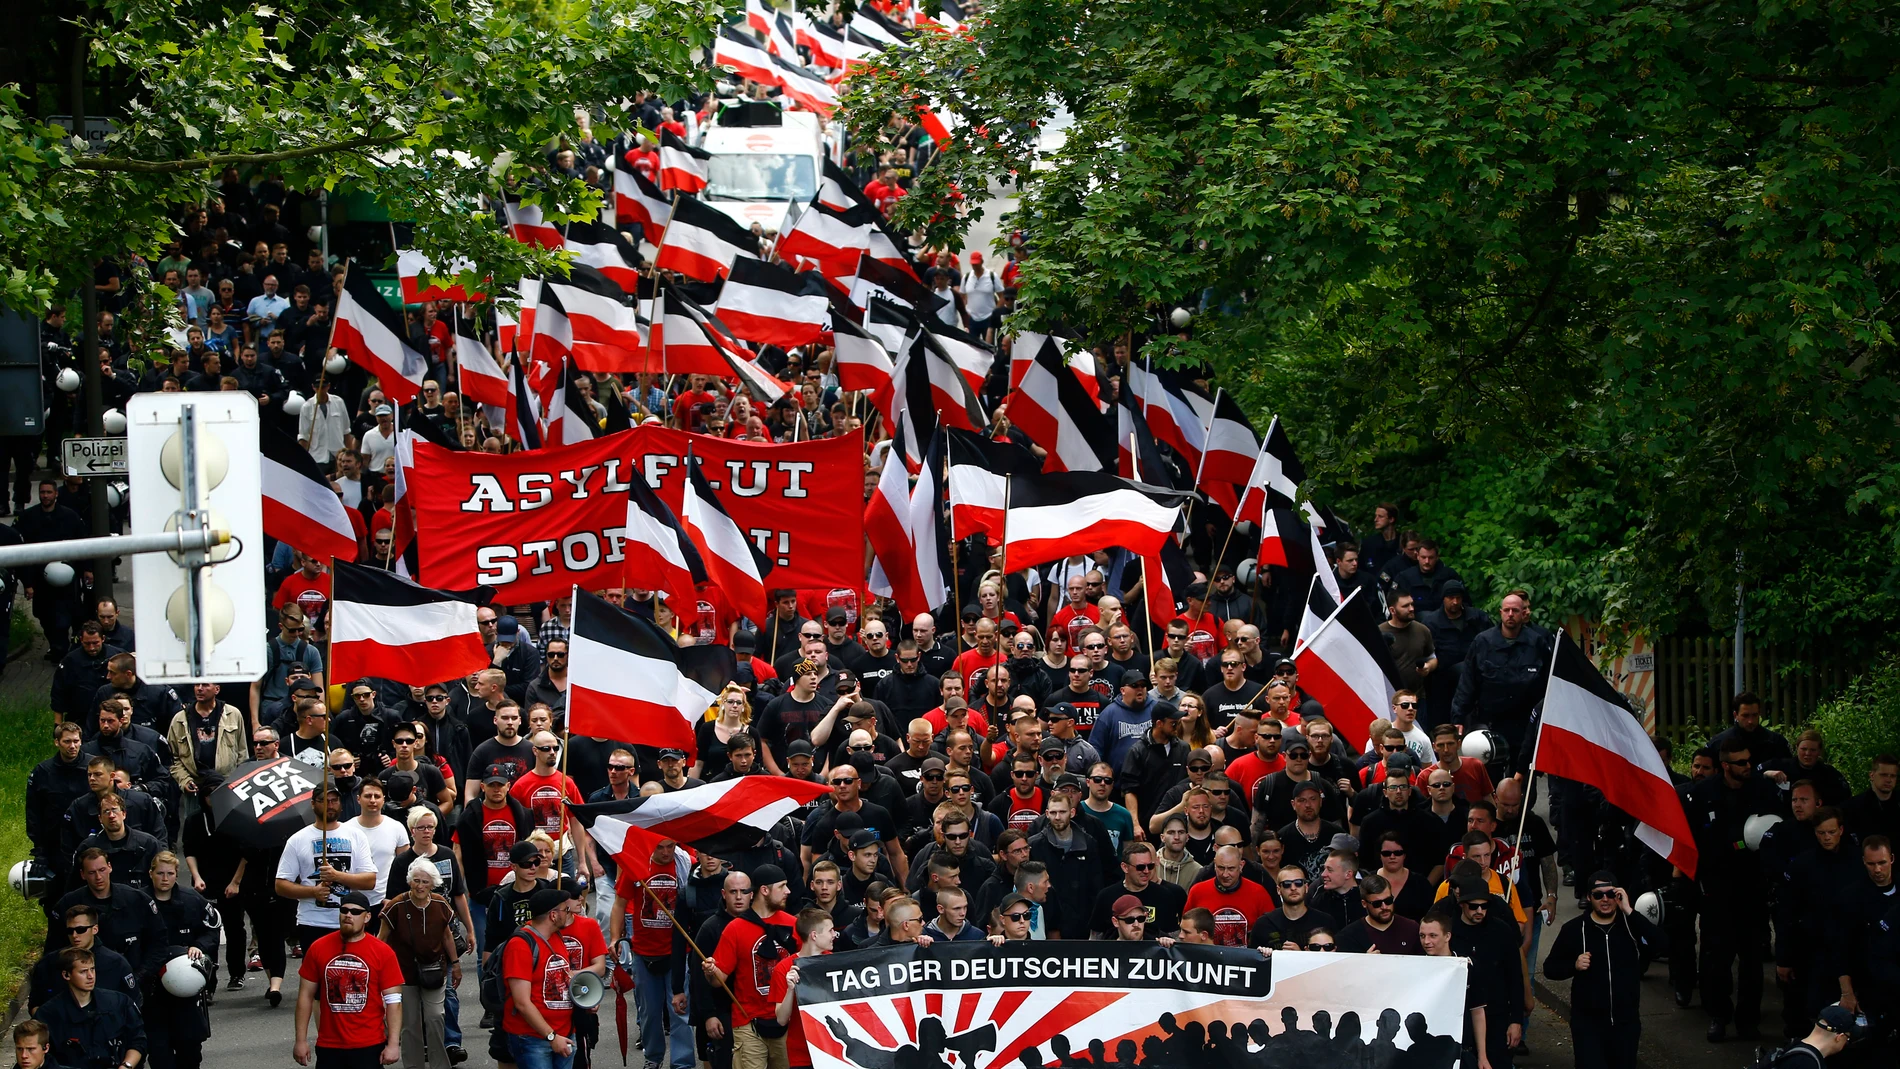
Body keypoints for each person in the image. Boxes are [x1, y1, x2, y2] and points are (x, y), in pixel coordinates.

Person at [1689, 739, 1782, 1041]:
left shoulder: (1763, 790)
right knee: (1718, 958)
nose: (1748, 767)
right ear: (1726, 765)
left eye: (1749, 761)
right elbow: (1697, 839)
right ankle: (1719, 1015)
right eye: (1741, 763)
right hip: (1717, 889)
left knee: (1753, 960)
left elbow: (1776, 829)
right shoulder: (1704, 794)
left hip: (1753, 887)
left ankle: (1748, 1019)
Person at [1543, 873, 1666, 1069]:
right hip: (1588, 1026)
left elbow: (1663, 945)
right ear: (1589, 897)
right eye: (1598, 895)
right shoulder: (1574, 929)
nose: (1605, 899)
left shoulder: (1631, 926)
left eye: (1611, 894)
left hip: (1625, 1024)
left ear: (1619, 895)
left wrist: (1629, 911)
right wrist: (1573, 965)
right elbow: (1550, 969)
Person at [293, 890, 404, 1069]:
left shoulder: (383, 952)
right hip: (329, 1045)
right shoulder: (318, 948)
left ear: (367, 917)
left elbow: (394, 1001)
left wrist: (392, 1044)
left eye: (355, 912)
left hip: (369, 1045)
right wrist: (300, 1040)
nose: (348, 915)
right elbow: (305, 996)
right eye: (344, 910)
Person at [703, 865, 798, 1069]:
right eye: (782, 886)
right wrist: (711, 970)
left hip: (788, 1021)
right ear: (765, 890)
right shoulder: (735, 928)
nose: (788, 891)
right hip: (748, 1023)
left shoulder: (793, 925)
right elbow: (718, 980)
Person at [275, 786, 380, 955]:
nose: (330, 805)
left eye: (334, 800)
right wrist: (313, 891)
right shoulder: (298, 839)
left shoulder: (356, 835)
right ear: (313, 804)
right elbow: (281, 885)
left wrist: (337, 875)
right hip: (312, 922)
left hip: (351, 920)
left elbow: (370, 881)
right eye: (323, 801)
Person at [377, 858, 459, 1069]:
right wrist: (378, 969)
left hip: (434, 971)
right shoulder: (396, 905)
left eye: (425, 881)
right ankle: (413, 1066)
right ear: (409, 881)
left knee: (435, 1018)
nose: (420, 886)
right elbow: (381, 939)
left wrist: (456, 964)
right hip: (403, 973)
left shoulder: (440, 903)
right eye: (416, 881)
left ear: (433, 883)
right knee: (410, 1024)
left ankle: (440, 1065)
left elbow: (447, 936)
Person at [145, 851, 217, 1069]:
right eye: (160, 873)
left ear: (177, 874)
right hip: (152, 989)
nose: (164, 878)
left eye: (170, 873)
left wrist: (199, 946)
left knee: (190, 1052)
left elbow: (212, 928)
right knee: (159, 1055)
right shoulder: (138, 901)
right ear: (151, 874)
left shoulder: (192, 899)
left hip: (186, 989)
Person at [500, 888, 582, 1069]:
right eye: (565, 910)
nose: (569, 914)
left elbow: (561, 981)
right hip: (533, 1038)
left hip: (565, 1034)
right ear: (553, 915)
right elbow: (522, 1002)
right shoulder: (520, 946)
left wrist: (585, 1000)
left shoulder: (557, 937)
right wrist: (551, 1036)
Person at [37, 948, 147, 1069]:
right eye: (83, 971)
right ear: (66, 975)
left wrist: (126, 1066)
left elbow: (138, 1040)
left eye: (92, 969)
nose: (90, 976)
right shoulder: (49, 1014)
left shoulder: (119, 1003)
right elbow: (39, 1056)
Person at [1419, 912, 1493, 1069]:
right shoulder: (1415, 967)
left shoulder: (1467, 966)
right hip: (1426, 1053)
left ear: (1447, 936)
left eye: (1433, 935)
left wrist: (1482, 1056)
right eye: (1422, 936)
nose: (1427, 941)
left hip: (1461, 1051)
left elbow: (1478, 1012)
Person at [771, 908, 835, 1069]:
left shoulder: (835, 962)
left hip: (834, 1051)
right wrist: (790, 989)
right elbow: (781, 1019)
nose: (834, 935)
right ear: (814, 935)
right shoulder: (784, 968)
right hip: (801, 1054)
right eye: (830, 931)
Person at [1183, 846, 1275, 947]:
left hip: (1246, 959)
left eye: (1231, 869)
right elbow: (1185, 930)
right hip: (1208, 958)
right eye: (1221, 868)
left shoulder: (1258, 892)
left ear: (1241, 865)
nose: (1225, 874)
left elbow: (1271, 931)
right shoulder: (1197, 891)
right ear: (1214, 864)